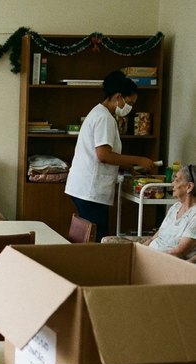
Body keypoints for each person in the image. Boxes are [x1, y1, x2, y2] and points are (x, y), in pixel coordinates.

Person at [65, 70, 156, 241]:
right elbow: (104, 155)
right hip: (90, 189)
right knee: (99, 239)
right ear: (118, 97)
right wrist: (139, 160)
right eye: (130, 102)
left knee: (92, 237)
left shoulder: (100, 114)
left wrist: (128, 167)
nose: (130, 108)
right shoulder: (104, 118)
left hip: (84, 187)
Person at [144, 165, 196, 260]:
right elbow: (155, 237)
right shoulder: (175, 207)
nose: (172, 184)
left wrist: (149, 258)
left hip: (166, 262)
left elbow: (178, 252)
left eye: (176, 180)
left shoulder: (194, 215)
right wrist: (140, 250)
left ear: (189, 186)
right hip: (151, 256)